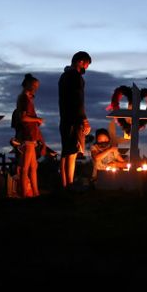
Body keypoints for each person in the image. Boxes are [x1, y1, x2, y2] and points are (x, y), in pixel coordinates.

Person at [58, 51, 91, 189]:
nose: (87, 68)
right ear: (80, 62)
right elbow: (78, 99)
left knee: (66, 152)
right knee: (71, 152)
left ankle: (65, 184)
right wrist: (84, 120)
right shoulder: (75, 77)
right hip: (74, 119)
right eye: (87, 64)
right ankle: (70, 184)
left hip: (64, 118)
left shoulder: (63, 76)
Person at [16, 73, 43, 197]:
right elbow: (24, 118)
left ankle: (35, 192)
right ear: (28, 85)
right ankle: (24, 193)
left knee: (34, 166)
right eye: (34, 85)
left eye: (37, 86)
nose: (35, 88)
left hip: (31, 136)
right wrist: (37, 120)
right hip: (28, 136)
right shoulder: (24, 99)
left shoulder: (28, 100)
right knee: (26, 167)